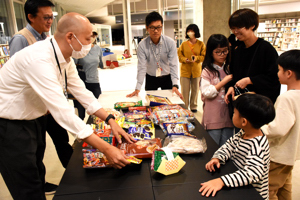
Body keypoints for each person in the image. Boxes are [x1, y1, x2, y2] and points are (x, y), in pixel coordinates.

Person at [0, 12, 135, 200]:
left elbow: (82, 93)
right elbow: (62, 111)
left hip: (34, 119)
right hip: (10, 126)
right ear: (70, 37)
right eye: (88, 39)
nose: (90, 44)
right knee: (26, 184)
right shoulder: (38, 59)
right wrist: (106, 148)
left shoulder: (64, 58)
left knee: (37, 172)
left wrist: (111, 120)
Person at [8, 0, 69, 194]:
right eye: (46, 17)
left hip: (46, 105)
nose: (50, 20)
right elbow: (24, 74)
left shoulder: (45, 37)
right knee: (33, 151)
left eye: (51, 17)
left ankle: (64, 176)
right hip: (30, 108)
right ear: (30, 17)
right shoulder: (21, 39)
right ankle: (39, 185)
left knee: (55, 141)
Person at [199, 93, 275, 200]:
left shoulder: (258, 147)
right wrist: (218, 157)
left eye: (234, 113)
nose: (232, 114)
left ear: (244, 121)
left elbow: (251, 174)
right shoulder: (243, 134)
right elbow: (228, 146)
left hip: (252, 194)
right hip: (238, 186)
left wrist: (221, 181)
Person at [261, 50, 300, 200]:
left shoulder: (287, 98)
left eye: (279, 70)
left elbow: (278, 128)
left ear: (288, 73)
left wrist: (259, 130)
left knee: (268, 189)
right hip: (291, 154)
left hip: (279, 155)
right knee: (285, 187)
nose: (277, 73)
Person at [224, 8, 280, 105]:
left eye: (239, 27)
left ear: (252, 26)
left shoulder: (266, 49)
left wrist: (251, 80)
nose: (235, 31)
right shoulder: (237, 48)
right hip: (239, 102)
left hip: (257, 104)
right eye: (233, 28)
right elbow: (233, 74)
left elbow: (274, 78)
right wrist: (230, 87)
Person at [126, 11, 183, 99]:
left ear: (162, 27)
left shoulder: (170, 43)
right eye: (152, 27)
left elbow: (174, 64)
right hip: (151, 77)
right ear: (147, 28)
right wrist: (138, 88)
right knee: (150, 104)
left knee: (169, 104)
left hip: (167, 77)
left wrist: (175, 84)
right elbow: (142, 67)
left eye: (158, 27)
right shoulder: (142, 45)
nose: (156, 31)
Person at [200, 34, 234, 146]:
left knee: (225, 150)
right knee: (212, 149)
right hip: (213, 119)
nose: (222, 55)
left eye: (225, 51)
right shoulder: (207, 71)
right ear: (211, 52)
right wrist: (224, 81)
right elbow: (207, 92)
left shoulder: (229, 68)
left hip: (229, 118)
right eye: (218, 51)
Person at [73, 26, 103, 120]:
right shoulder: (78, 48)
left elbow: (101, 64)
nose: (92, 37)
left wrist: (110, 65)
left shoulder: (98, 49)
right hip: (82, 84)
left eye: (94, 35)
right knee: (80, 114)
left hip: (94, 82)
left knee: (96, 112)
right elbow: (72, 66)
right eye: (90, 35)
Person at [177, 24, 205, 112]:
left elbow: (204, 56)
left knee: (195, 89)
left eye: (192, 31)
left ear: (196, 32)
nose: (190, 33)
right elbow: (179, 56)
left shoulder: (201, 44)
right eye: (189, 31)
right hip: (185, 70)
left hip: (196, 70)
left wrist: (196, 58)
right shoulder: (184, 44)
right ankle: (184, 106)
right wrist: (185, 59)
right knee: (185, 90)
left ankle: (193, 106)